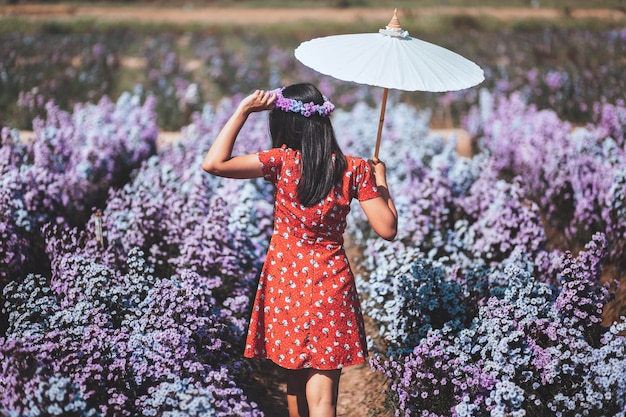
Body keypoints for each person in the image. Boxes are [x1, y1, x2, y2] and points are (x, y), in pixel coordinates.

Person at [202, 83, 397, 417]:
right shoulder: (354, 169)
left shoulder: (282, 162)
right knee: (324, 401)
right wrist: (381, 181)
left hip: (286, 285)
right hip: (330, 286)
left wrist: (243, 111)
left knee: (295, 389)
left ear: (286, 125)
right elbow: (388, 229)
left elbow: (214, 164)